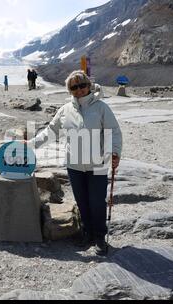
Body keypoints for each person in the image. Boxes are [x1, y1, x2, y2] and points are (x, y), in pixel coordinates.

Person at [27, 70, 123, 256]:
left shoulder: (101, 107)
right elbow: (51, 132)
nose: (78, 90)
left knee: (97, 202)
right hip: (74, 165)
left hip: (97, 163)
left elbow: (114, 131)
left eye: (81, 85)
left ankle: (99, 237)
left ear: (88, 85)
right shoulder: (65, 110)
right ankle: (86, 233)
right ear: (69, 90)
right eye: (74, 87)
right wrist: (31, 144)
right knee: (82, 201)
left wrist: (115, 152)